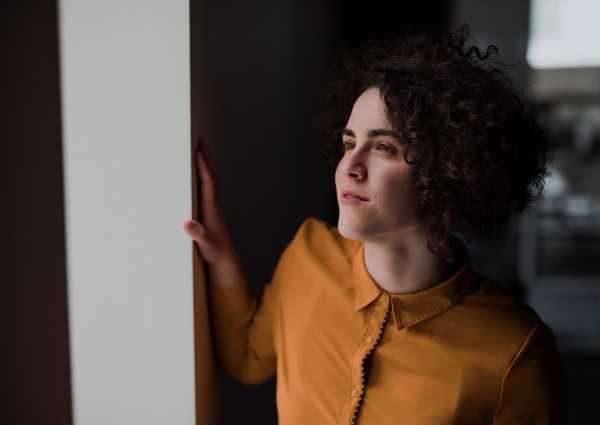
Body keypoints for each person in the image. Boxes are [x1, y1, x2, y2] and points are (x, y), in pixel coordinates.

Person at [183, 25, 569, 425]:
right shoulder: (308, 254)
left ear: (448, 172)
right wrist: (218, 249)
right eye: (350, 143)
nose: (349, 166)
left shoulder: (516, 355)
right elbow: (248, 357)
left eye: (384, 147)